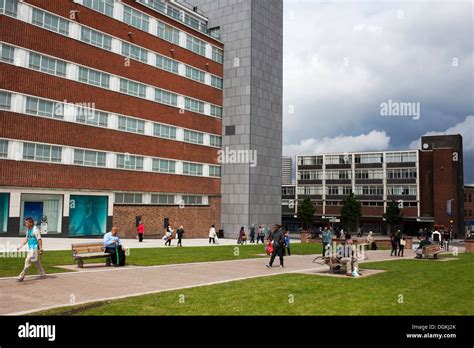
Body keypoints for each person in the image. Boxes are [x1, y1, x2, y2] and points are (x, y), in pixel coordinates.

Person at [17, 217, 46, 282]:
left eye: (26, 223)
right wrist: (20, 246)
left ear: (31, 223)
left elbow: (39, 239)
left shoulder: (35, 230)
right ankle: (43, 274)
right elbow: (26, 239)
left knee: (27, 261)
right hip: (30, 249)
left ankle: (21, 276)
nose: (25, 224)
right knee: (36, 262)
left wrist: (41, 248)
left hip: (34, 249)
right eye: (25, 223)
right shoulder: (28, 230)